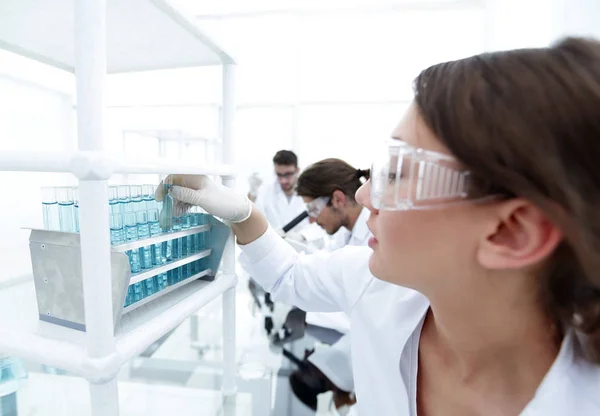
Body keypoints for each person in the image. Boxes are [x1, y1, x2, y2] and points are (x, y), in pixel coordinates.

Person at [157, 37, 600, 415]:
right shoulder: (378, 285)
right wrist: (244, 213)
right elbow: (290, 274)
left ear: (511, 232)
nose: (366, 196)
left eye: (398, 173)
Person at [254, 150, 307, 231]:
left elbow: (318, 224)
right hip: (274, 243)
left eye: (288, 174)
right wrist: (252, 194)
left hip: (303, 243)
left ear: (297, 170)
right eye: (279, 175)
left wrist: (303, 236)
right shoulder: (265, 191)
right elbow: (255, 220)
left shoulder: (309, 192)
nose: (283, 180)